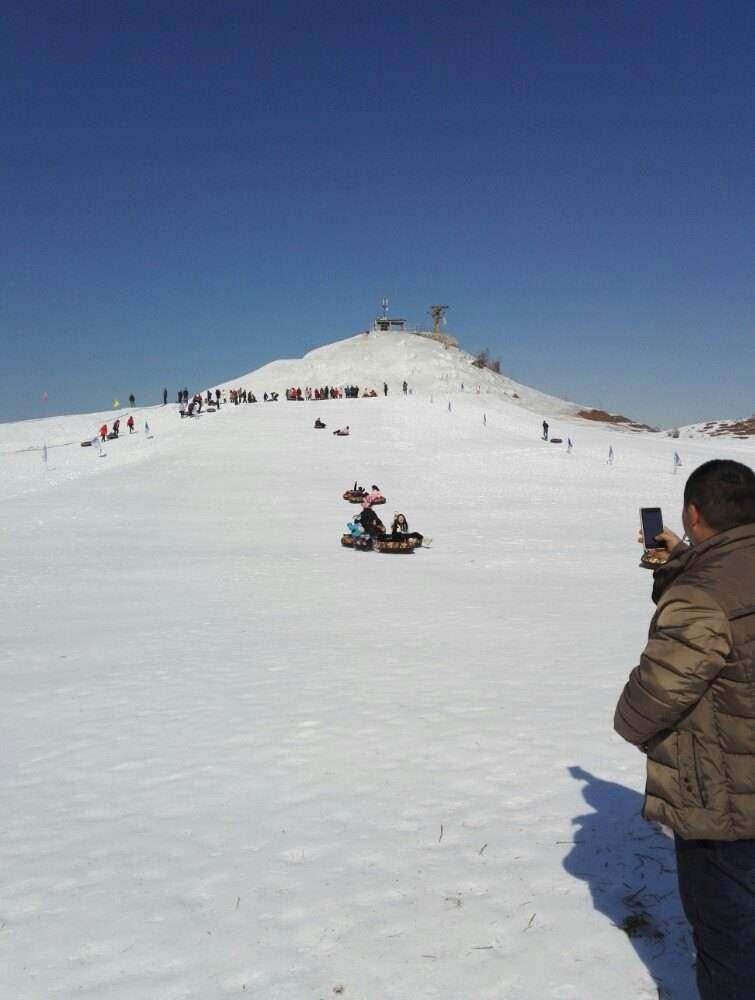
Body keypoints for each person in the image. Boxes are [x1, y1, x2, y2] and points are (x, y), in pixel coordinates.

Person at [614, 460, 755, 1000]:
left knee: (730, 941)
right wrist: (683, 563)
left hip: (726, 803)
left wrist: (631, 722)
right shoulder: (705, 578)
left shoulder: (702, 593)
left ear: (693, 514)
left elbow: (648, 702)